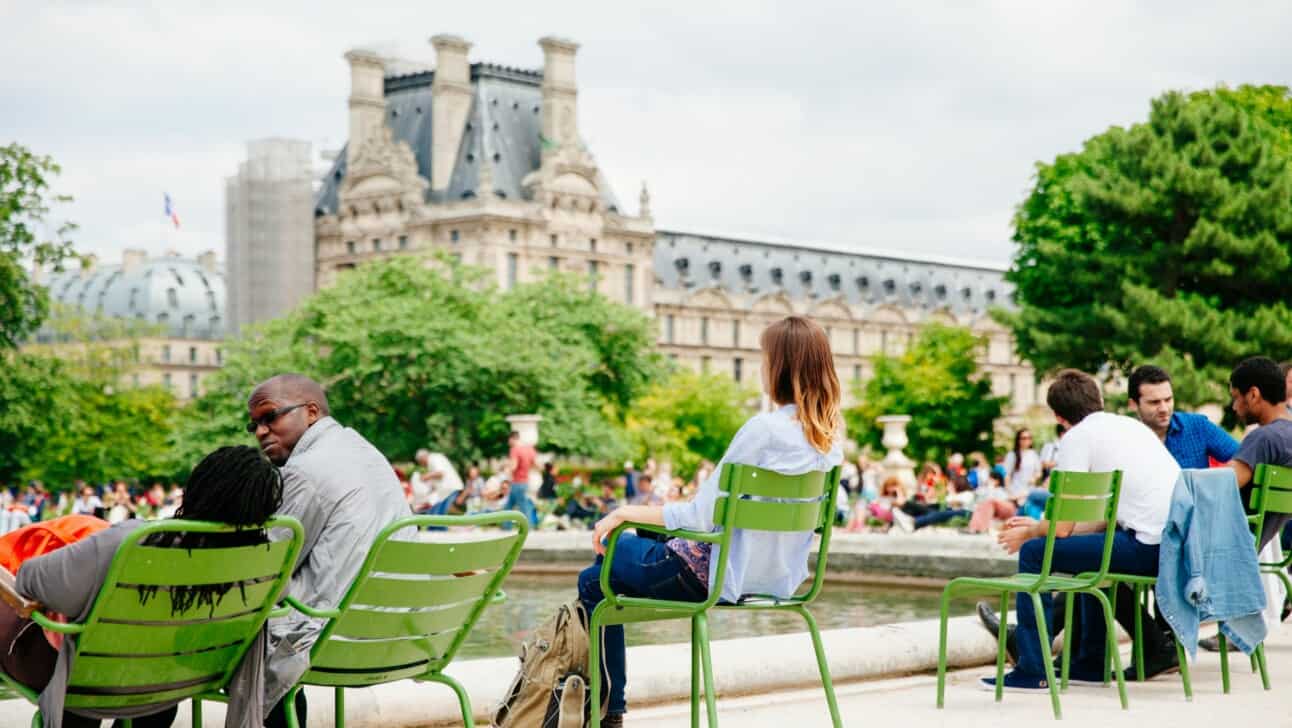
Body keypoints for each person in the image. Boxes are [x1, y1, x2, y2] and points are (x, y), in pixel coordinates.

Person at [576, 315, 844, 727]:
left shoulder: (764, 429)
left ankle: (608, 712)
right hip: (774, 580)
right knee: (626, 555)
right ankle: (606, 708)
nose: (759, 366)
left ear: (780, 367)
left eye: (763, 357)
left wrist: (625, 511)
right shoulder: (828, 442)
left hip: (715, 578)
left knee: (598, 575)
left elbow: (699, 516)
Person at [7, 445, 284, 728]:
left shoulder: (133, 541)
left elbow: (31, 579)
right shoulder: (262, 566)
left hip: (91, 682)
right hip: (171, 685)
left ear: (198, 488)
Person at [979, 369, 1180, 692]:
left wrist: (1031, 534)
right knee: (1086, 548)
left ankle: (1033, 668)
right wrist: (1038, 526)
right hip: (1173, 545)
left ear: (1059, 417)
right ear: (1098, 400)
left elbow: (1060, 528)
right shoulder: (1130, 427)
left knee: (1033, 554)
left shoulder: (1076, 438)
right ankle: (1089, 663)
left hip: (1148, 548)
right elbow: (1096, 521)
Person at [246, 373, 410, 727]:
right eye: (254, 424)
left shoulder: (304, 471)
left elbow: (265, 570)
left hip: (333, 637)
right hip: (393, 632)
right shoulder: (368, 453)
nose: (260, 432)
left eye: (270, 417)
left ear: (311, 412)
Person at [1127, 364, 1238, 468]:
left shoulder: (1198, 426)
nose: (1164, 409)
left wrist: (1213, 484)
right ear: (1133, 404)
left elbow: (1245, 458)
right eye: (1154, 402)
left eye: (1168, 399)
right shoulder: (1124, 440)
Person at [503, 431, 538, 526]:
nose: (508, 443)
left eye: (509, 440)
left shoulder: (514, 450)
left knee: (523, 506)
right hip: (525, 482)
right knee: (509, 506)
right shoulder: (529, 449)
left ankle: (529, 526)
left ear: (512, 439)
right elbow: (536, 464)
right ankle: (506, 526)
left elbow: (514, 466)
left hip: (517, 482)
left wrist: (506, 467)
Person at [1003, 429, 1041, 502]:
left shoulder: (1033, 454)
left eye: (1029, 438)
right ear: (1018, 440)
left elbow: (1039, 472)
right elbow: (1007, 476)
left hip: (1029, 492)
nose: (1027, 440)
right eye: (1024, 438)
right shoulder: (1012, 455)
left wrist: (1034, 478)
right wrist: (1009, 493)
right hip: (1015, 492)